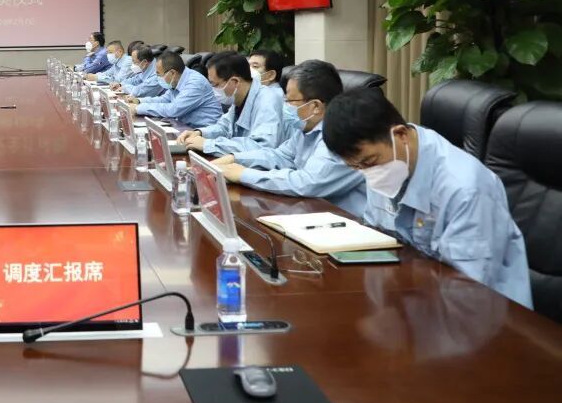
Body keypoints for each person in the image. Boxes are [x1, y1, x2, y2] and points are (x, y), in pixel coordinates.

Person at [322, 88, 532, 308]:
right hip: (415, 297)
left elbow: (468, 288)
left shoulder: (465, 190)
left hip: (482, 312)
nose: (366, 173)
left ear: (400, 135)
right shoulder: (386, 161)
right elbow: (378, 240)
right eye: (356, 167)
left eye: (368, 162)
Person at [216, 60, 366, 216]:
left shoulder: (341, 135)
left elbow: (307, 182)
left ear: (316, 106)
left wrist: (244, 174)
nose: (285, 106)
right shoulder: (306, 128)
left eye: (290, 101)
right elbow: (280, 156)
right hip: (314, 212)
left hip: (350, 222)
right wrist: (234, 159)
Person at [179, 51, 284, 155]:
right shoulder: (240, 97)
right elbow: (224, 127)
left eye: (215, 85)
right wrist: (200, 133)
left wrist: (208, 144)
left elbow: (261, 147)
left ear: (235, 82)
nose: (213, 90)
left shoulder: (268, 100)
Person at [130, 51, 221, 127]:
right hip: (185, 126)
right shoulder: (176, 80)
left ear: (172, 73)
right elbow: (165, 99)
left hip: (203, 131)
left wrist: (139, 108)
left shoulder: (195, 83)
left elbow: (173, 109)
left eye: (159, 74)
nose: (158, 78)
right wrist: (138, 101)